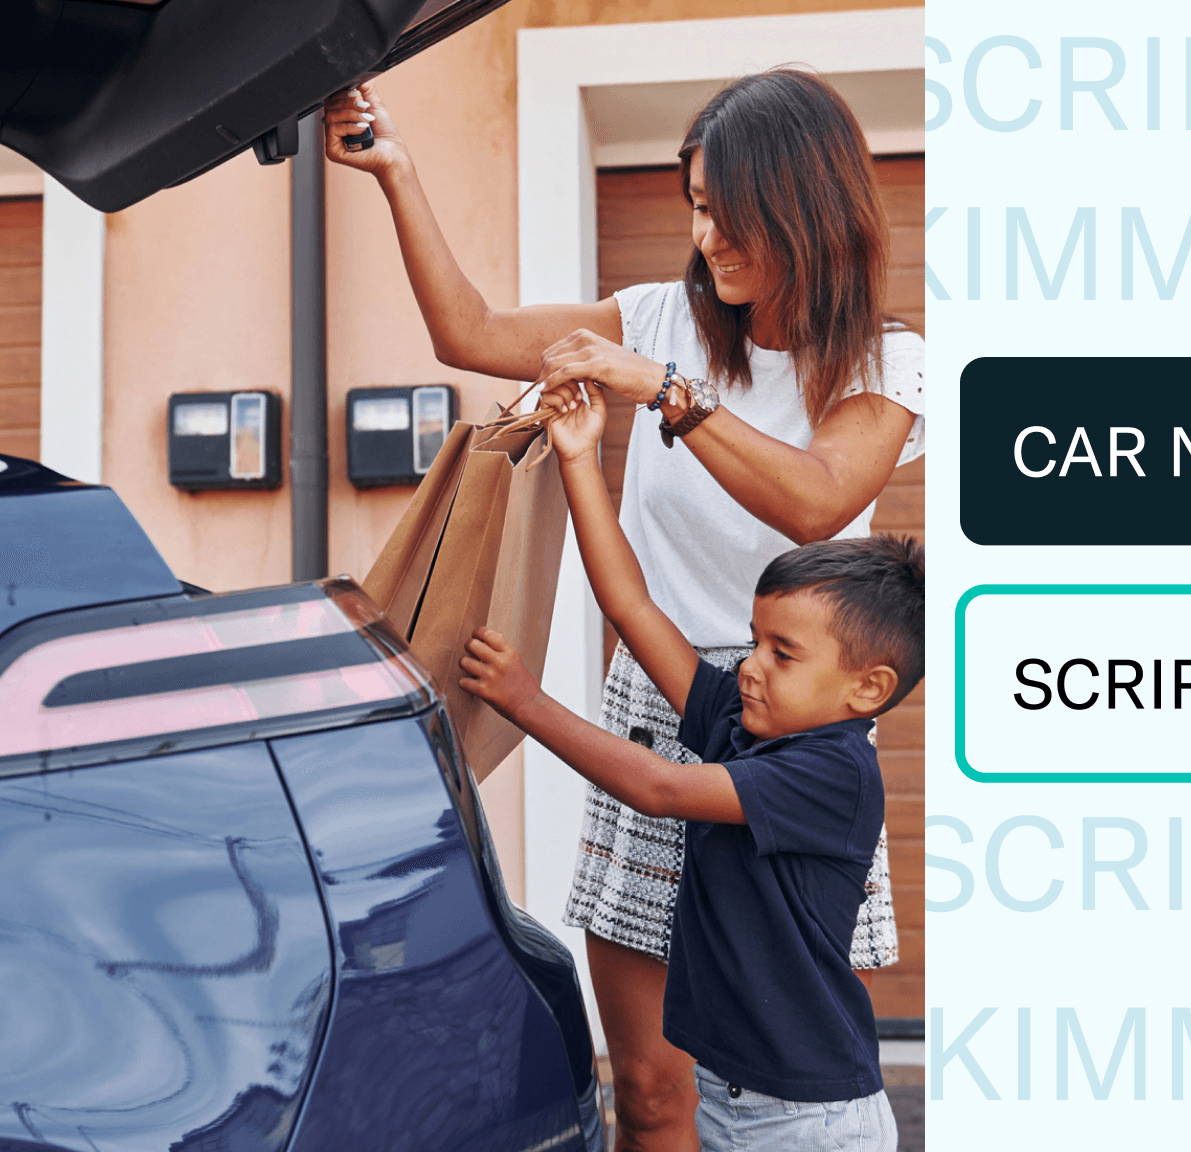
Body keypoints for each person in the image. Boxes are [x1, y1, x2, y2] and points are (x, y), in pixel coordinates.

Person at [324, 68, 923, 1151]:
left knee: (775, 1063)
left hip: (796, 725)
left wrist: (661, 391)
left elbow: (816, 499)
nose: (707, 236)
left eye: (729, 210)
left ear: (803, 201)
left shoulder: (888, 362)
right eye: (694, 205)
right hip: (654, 686)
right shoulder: (657, 317)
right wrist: (396, 174)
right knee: (648, 1091)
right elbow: (471, 332)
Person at [455, 392, 923, 1148]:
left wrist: (525, 702)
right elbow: (633, 608)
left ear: (867, 687)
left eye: (783, 653)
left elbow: (660, 788)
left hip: (808, 1122)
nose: (751, 665)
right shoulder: (742, 724)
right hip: (731, 1100)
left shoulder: (834, 773)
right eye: (754, 639)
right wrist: (580, 457)